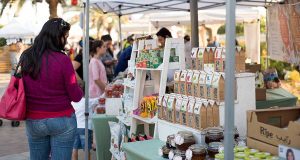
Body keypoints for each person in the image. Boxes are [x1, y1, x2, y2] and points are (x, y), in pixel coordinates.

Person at [19, 18, 83, 160]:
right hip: (62, 119)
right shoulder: (63, 59)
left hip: (34, 119)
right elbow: (75, 96)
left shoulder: (26, 57)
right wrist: (80, 87)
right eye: (65, 36)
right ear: (56, 36)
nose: (65, 40)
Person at [72, 96, 98, 160]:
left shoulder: (73, 102)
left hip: (75, 127)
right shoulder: (88, 101)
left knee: (74, 148)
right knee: (86, 149)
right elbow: (100, 99)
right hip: (85, 128)